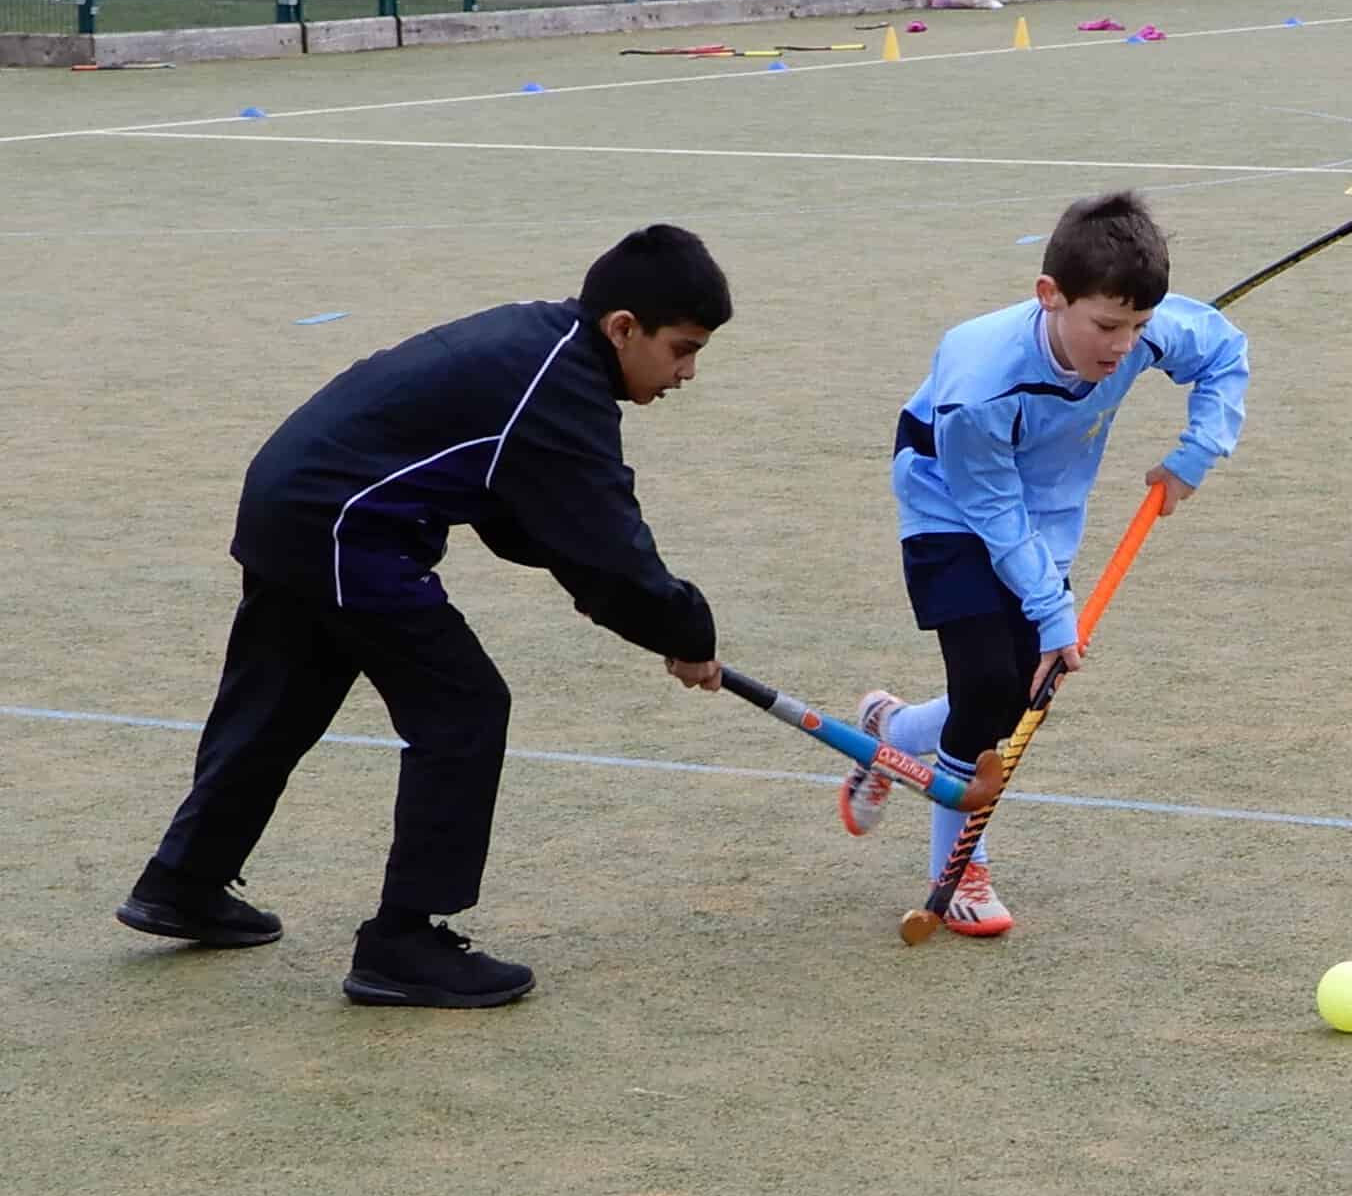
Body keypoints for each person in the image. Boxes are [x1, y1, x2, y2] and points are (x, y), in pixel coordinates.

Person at [115, 226, 732, 1007]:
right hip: (344, 527)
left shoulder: (542, 346)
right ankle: (405, 942)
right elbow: (608, 549)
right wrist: (684, 631)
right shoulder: (562, 389)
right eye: (682, 349)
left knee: (279, 701)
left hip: (289, 501)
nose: (686, 372)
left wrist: (644, 613)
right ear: (623, 328)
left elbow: (530, 517)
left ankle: (182, 880)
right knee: (464, 706)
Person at [832, 191, 1248, 935]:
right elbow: (992, 508)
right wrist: (1055, 612)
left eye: (1138, 327)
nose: (1123, 347)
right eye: (1107, 327)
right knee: (987, 683)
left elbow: (1224, 352)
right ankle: (958, 869)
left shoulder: (1144, 329)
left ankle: (890, 733)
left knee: (1013, 698)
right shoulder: (980, 380)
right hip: (949, 503)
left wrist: (1195, 453)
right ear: (1050, 295)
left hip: (1046, 517)